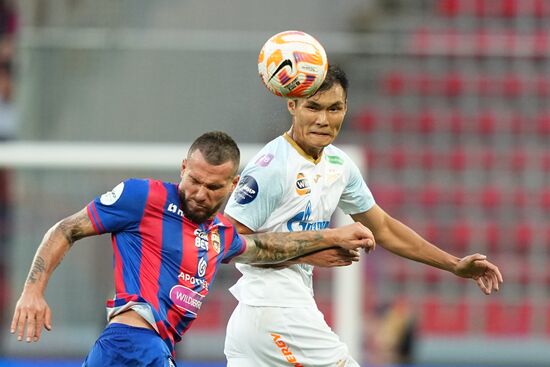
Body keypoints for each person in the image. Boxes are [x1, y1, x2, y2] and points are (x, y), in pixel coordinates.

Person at [9, 131, 376, 367]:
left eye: (213, 187)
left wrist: (327, 239)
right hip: (131, 343)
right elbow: (66, 228)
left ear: (233, 184)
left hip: (154, 348)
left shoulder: (219, 233)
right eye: (194, 180)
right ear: (183, 168)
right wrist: (32, 289)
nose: (200, 193)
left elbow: (264, 246)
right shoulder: (143, 197)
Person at [223, 65, 504, 366]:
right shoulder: (271, 167)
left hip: (261, 320)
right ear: (292, 105)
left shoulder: (338, 165)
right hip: (276, 310)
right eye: (313, 107)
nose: (323, 119)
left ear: (346, 109)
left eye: (334, 108)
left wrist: (454, 265)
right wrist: (315, 246)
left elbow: (384, 227)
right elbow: (224, 243)